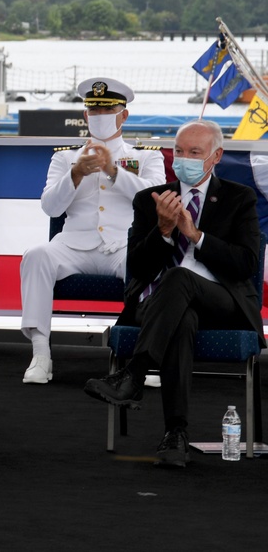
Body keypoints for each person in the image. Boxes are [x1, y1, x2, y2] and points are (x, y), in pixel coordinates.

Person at [84, 119, 264, 467]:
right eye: (179, 151)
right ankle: (175, 435)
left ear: (215, 156)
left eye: (194, 152)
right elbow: (136, 268)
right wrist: (164, 231)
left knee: (181, 278)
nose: (184, 158)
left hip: (222, 301)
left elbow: (245, 264)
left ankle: (135, 373)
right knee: (181, 318)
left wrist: (195, 236)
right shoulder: (149, 200)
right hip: (157, 304)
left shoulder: (238, 198)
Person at [19, 78, 164, 384]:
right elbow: (51, 208)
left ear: (124, 115)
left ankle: (144, 357)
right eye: (93, 110)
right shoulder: (64, 158)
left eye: (108, 109)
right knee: (36, 256)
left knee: (151, 262)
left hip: (123, 245)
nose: (99, 116)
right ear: (85, 116)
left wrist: (114, 171)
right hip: (74, 246)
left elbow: (154, 203)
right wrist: (74, 174)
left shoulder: (146, 156)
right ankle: (40, 355)